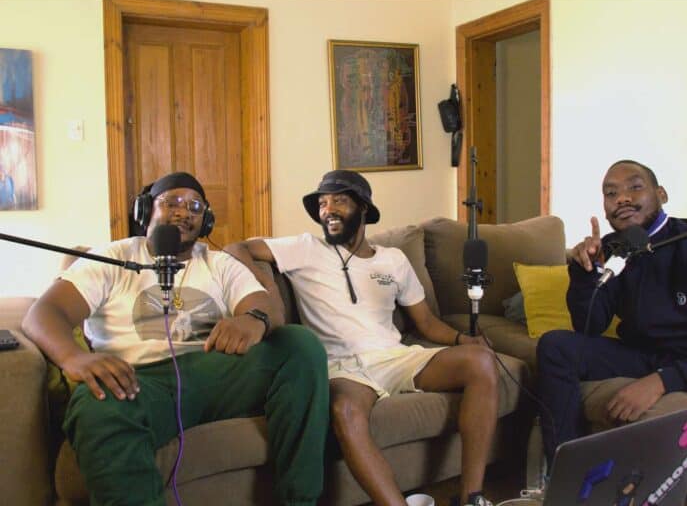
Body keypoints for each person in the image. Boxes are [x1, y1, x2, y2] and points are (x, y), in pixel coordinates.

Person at [22, 172, 329, 506]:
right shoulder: (112, 258)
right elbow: (44, 312)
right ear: (145, 210)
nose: (184, 212)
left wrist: (252, 319)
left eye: (195, 207)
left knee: (299, 345)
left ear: (206, 221)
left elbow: (266, 307)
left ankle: (300, 501)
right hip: (138, 383)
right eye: (172, 202)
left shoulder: (219, 264)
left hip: (215, 373)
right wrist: (74, 357)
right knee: (95, 403)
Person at [226, 170, 500, 506]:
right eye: (323, 203)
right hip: (342, 367)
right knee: (345, 410)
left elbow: (427, 323)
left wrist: (461, 340)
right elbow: (236, 247)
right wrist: (267, 288)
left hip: (395, 357)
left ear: (364, 209)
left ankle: (471, 497)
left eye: (339, 201)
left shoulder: (393, 260)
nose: (328, 210)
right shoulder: (304, 248)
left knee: (481, 362)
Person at [536, 159, 687, 481]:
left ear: (661, 194)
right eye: (611, 193)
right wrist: (585, 272)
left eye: (635, 187)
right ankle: (567, 478)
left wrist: (661, 381)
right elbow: (590, 325)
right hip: (645, 354)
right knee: (556, 347)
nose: (622, 198)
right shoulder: (614, 251)